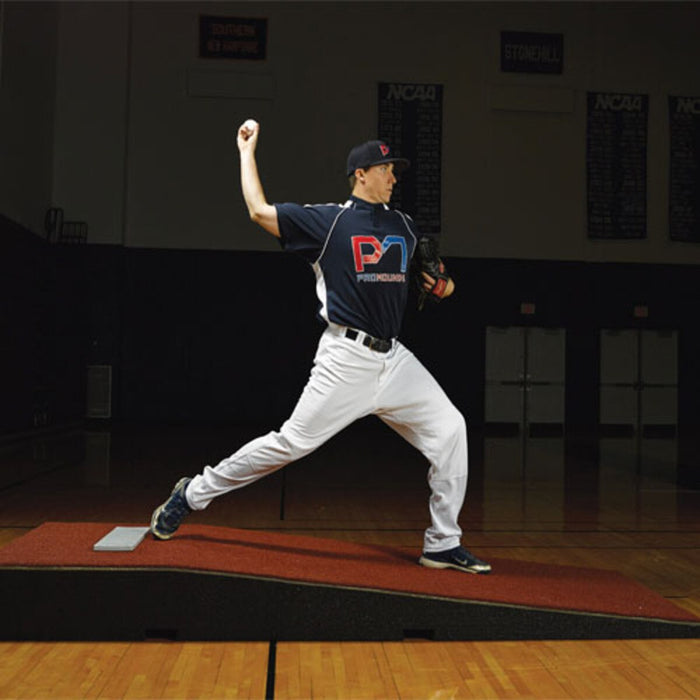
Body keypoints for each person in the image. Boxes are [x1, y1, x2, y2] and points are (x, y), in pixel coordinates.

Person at [149, 119, 491, 575]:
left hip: (393, 359)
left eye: (394, 169)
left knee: (451, 429)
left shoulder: (405, 227)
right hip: (345, 358)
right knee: (290, 444)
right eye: (386, 168)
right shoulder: (329, 222)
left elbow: (441, 282)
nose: (393, 176)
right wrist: (246, 153)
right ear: (361, 174)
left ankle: (443, 543)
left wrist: (444, 286)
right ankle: (192, 493)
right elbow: (257, 210)